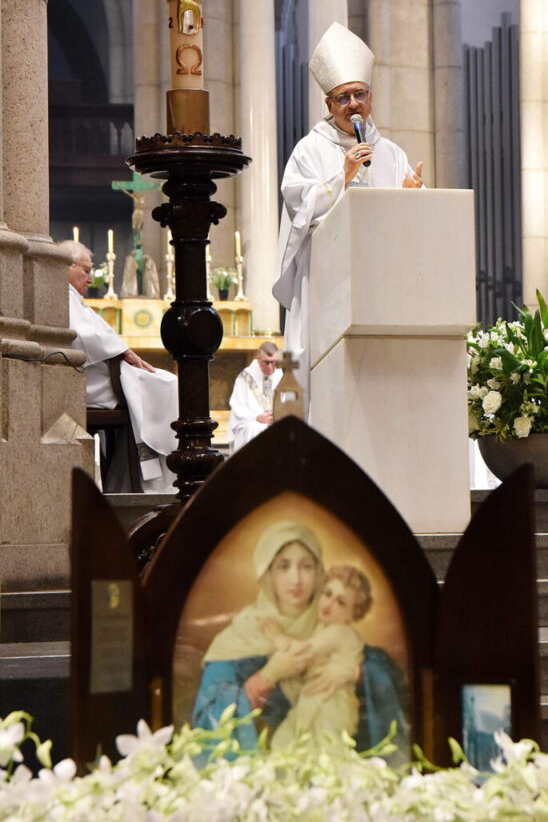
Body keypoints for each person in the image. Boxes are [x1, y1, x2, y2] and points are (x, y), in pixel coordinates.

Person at [273, 22, 424, 405]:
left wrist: (412, 196)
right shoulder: (308, 151)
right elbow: (299, 209)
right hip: (327, 281)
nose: (353, 104)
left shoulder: (390, 152)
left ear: (371, 99)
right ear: (329, 104)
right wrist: (343, 176)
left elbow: (401, 223)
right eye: (343, 98)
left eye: (359, 94)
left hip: (381, 281)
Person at [191, 520, 409, 757]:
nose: (296, 579)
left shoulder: (332, 626)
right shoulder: (242, 635)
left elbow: (395, 685)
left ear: (319, 573)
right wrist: (267, 676)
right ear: (268, 573)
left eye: (306, 566)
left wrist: (355, 673)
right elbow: (208, 719)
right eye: (284, 566)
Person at [61, 239, 178, 493]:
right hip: (91, 381)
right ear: (65, 266)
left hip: (98, 374)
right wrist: (122, 350)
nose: (90, 280)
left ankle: (160, 473)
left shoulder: (71, 297)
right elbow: (80, 336)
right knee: (168, 383)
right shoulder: (61, 296)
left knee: (167, 382)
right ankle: (158, 479)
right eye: (86, 270)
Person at [260, 564, 373, 749]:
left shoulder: (340, 632)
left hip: (331, 707)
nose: (329, 604)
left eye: (341, 602)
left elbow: (302, 652)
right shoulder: (325, 629)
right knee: (286, 745)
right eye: (328, 594)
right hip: (314, 702)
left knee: (319, 754)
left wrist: (277, 636)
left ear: (352, 615)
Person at [226, 341, 283, 452]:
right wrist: (257, 417)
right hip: (251, 422)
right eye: (266, 362)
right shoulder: (245, 377)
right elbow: (237, 406)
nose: (270, 367)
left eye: (274, 363)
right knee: (253, 429)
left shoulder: (281, 376)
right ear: (258, 359)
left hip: (276, 422)